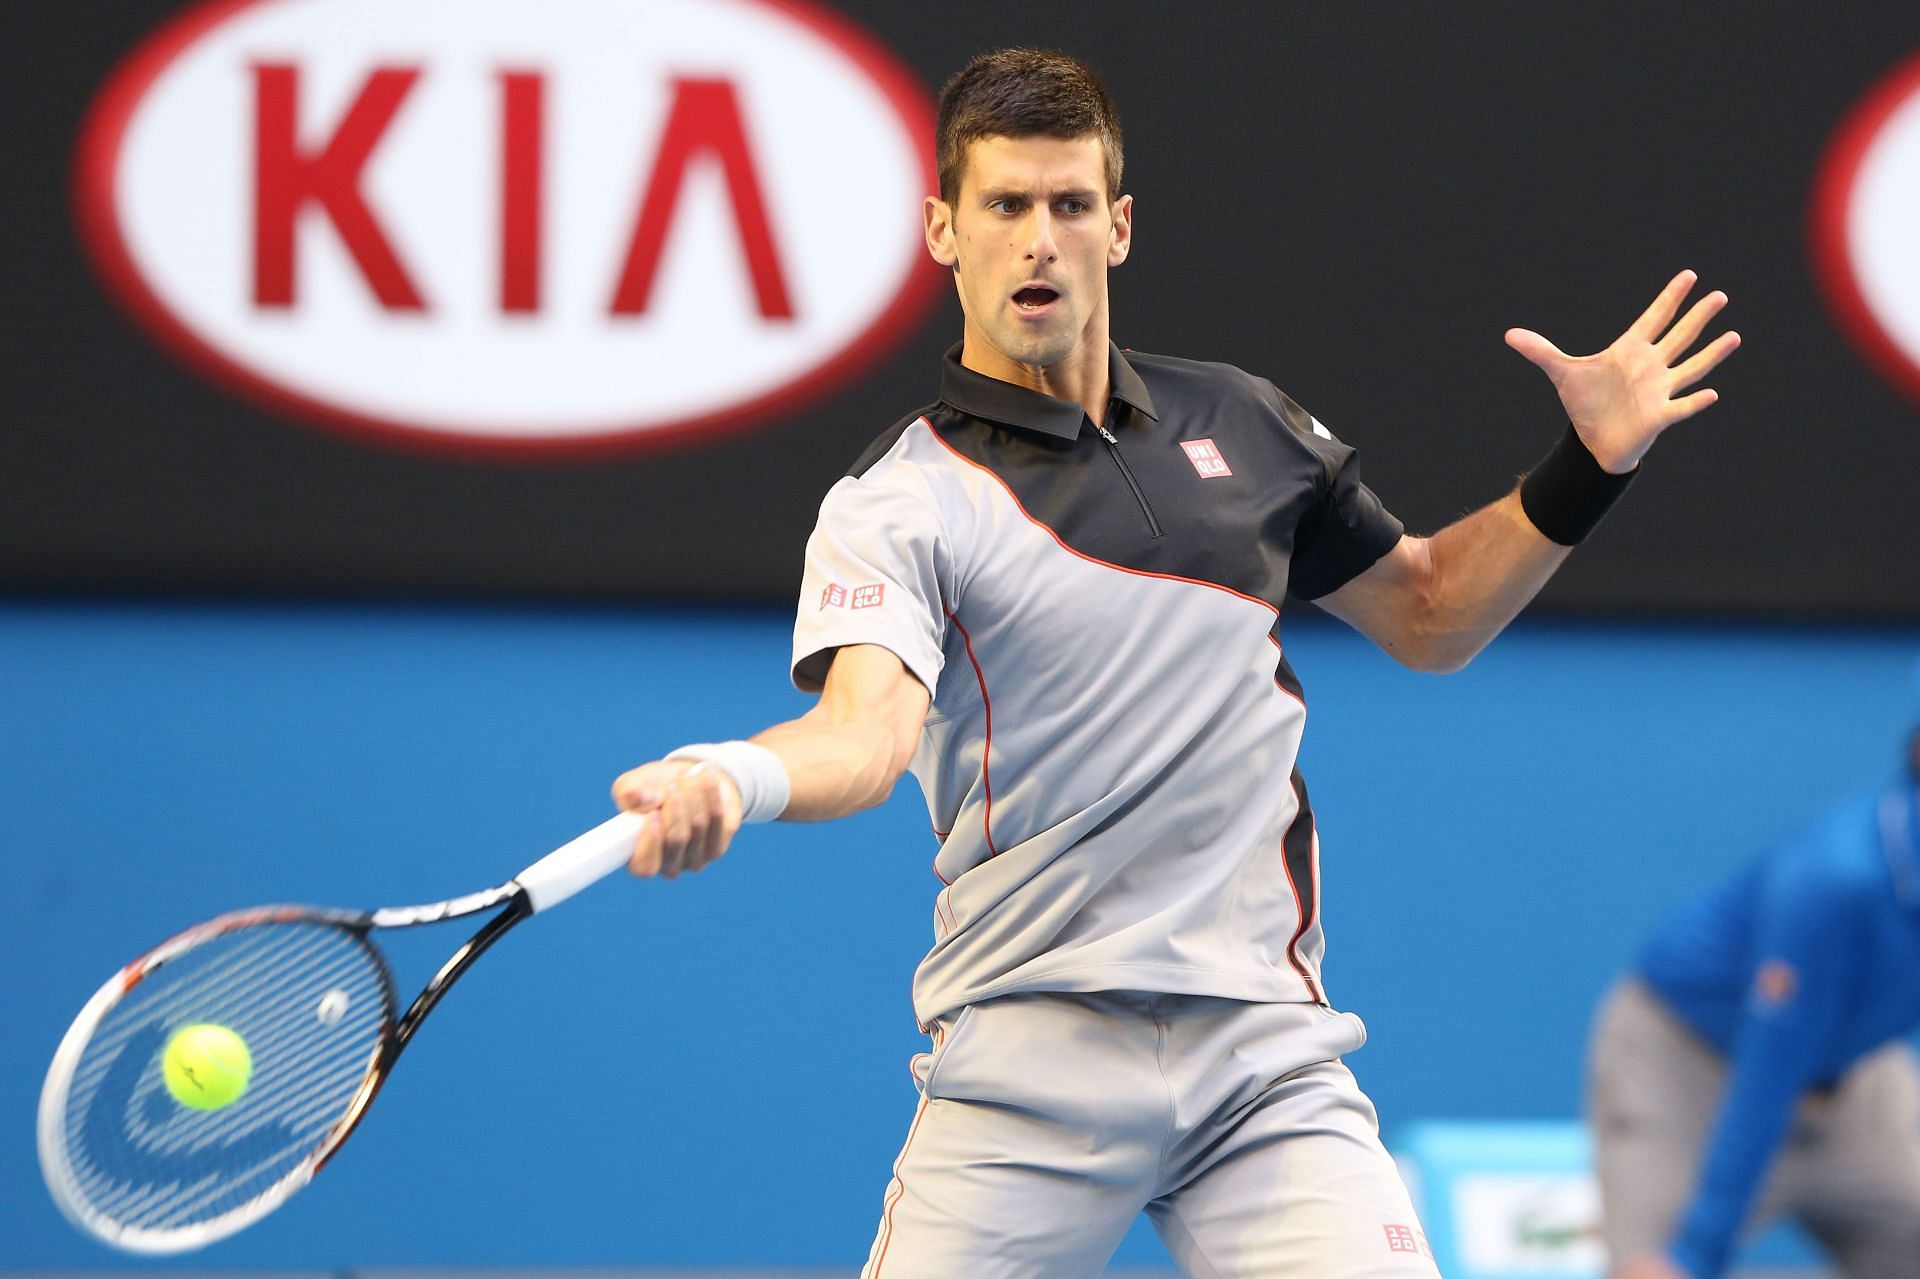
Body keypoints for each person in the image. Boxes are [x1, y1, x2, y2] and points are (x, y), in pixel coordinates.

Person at [610, 48, 1739, 1278]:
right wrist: (732, 774)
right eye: (1004, 206)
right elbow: (863, 735)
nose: (1038, 239)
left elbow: (1431, 613)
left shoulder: (1246, 423)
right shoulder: (899, 504)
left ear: (1120, 226)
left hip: (1264, 1064)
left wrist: (1589, 468)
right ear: (943, 229)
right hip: (1030, 1062)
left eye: (1069, 204)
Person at [1588, 686, 1920, 1279]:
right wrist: (1693, 1253)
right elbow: (1770, 1069)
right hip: (1686, 1069)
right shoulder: (1836, 878)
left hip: (1856, 1078)